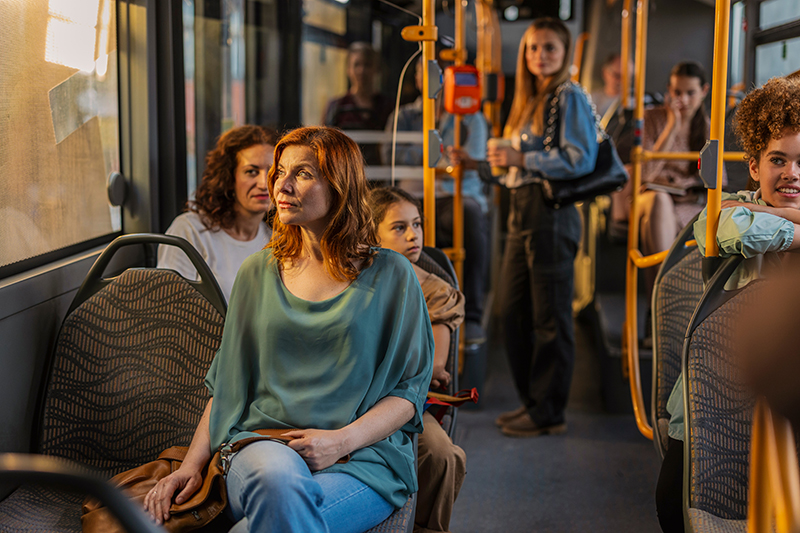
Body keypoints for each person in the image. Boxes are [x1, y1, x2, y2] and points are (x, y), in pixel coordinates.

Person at [144, 127, 434, 533]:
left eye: (302, 173)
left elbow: (409, 391)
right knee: (278, 483)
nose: (281, 184)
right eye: (280, 172)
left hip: (361, 458)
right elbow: (229, 385)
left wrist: (341, 442)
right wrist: (190, 466)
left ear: (339, 185)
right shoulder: (256, 273)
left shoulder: (393, 275)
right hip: (263, 446)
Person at [655, 75, 800, 533]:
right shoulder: (730, 208)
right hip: (714, 393)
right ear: (754, 166)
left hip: (786, 390)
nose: (791, 173)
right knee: (672, 506)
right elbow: (730, 231)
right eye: (778, 160)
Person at [451, 18, 598, 438]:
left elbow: (580, 158)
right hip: (522, 210)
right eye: (533, 49)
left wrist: (523, 160)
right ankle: (533, 401)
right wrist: (480, 163)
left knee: (550, 315)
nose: (540, 56)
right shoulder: (530, 100)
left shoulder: (567, 96)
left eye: (549, 48)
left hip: (551, 213)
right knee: (513, 311)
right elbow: (514, 170)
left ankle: (549, 411)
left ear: (565, 53)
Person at [369, 186, 467, 533]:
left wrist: (433, 367)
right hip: (350, 395)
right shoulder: (353, 278)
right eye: (399, 227)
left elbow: (435, 361)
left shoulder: (435, 290)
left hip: (403, 400)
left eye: (417, 224)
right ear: (371, 233)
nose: (413, 235)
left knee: (442, 455)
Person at [382, 57, 491, 344]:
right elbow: (391, 154)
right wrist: (435, 154)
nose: (437, 83)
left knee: (470, 216)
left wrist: (431, 156)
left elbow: (471, 159)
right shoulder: (403, 116)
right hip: (411, 195)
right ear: (417, 79)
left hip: (454, 195)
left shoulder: (471, 118)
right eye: (427, 75)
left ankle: (475, 314)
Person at [157, 125, 278, 302]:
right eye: (251, 172)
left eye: (273, 172)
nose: (264, 183)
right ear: (229, 178)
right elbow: (168, 307)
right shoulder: (190, 231)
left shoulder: (276, 239)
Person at [324, 42, 394, 166]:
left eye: (367, 65)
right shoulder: (336, 106)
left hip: (380, 175)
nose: (362, 71)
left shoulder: (388, 107)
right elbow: (325, 145)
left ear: (376, 69)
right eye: (357, 65)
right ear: (348, 69)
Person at [590, 53, 624, 119]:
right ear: (605, 73)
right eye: (617, 75)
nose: (621, 81)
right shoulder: (591, 100)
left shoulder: (639, 102)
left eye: (627, 77)